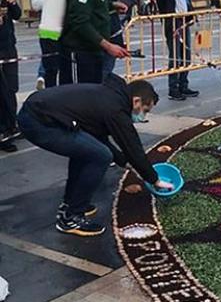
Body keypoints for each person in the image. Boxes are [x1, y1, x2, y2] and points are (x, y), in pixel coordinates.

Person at [17, 75, 172, 236]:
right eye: (145, 110)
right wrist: (154, 179)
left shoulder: (110, 96)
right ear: (136, 101)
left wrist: (123, 162)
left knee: (88, 150)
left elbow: (98, 137)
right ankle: (71, 218)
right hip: (39, 122)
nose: (143, 116)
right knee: (100, 156)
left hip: (38, 113)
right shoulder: (115, 109)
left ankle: (71, 204)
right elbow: (133, 147)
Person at [153, 0, 204, 99]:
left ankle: (184, 85)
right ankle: (173, 88)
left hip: (184, 21)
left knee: (186, 55)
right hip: (172, 22)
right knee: (175, 56)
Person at [30, 0, 72, 90]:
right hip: (49, 33)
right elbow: (35, 4)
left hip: (66, 31)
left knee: (67, 69)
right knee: (51, 70)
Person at [0, 0, 20, 152]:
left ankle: (11, 125)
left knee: (11, 88)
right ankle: (3, 132)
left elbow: (18, 15)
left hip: (8, 47)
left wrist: (13, 3)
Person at [102, 0, 129, 77]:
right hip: (106, 36)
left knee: (109, 66)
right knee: (105, 69)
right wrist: (114, 5)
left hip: (114, 34)